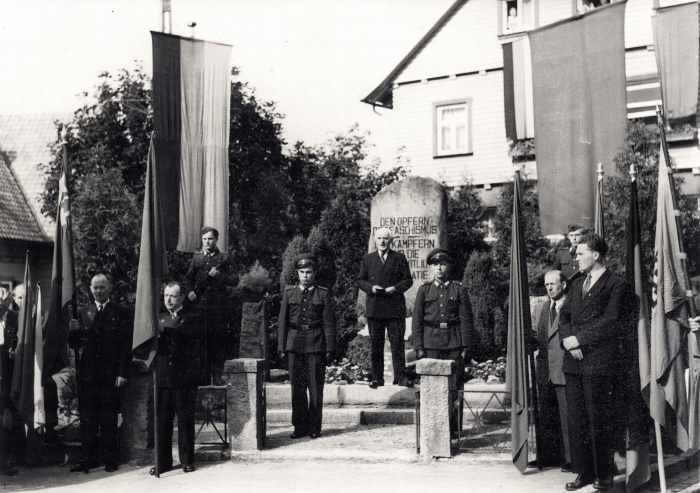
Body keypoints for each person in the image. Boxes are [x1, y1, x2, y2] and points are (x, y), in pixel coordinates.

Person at [558, 233, 634, 491]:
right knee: (577, 420)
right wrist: (569, 340)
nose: (575, 258)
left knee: (599, 420)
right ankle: (584, 472)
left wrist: (579, 340)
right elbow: (564, 317)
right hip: (574, 362)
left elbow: (611, 322)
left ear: (596, 255)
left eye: (580, 254)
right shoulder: (578, 283)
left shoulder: (617, 284)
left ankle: (604, 474)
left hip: (599, 362)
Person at [68, 274, 132, 473]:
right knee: (88, 419)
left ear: (109, 288)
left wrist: (122, 372)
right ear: (90, 288)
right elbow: (74, 345)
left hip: (110, 374)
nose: (98, 291)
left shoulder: (120, 311)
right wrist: (73, 331)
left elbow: (125, 346)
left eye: (102, 287)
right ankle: (89, 459)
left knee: (108, 418)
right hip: (88, 374)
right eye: (95, 288)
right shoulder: (83, 311)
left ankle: (109, 459)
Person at [412, 249, 473, 438]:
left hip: (454, 343)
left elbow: (466, 320)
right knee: (431, 389)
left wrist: (466, 347)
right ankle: (432, 429)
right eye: (435, 264)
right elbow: (417, 320)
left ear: (449, 266)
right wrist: (419, 347)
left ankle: (454, 429)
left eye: (443, 264)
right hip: (431, 344)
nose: (439, 268)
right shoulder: (424, 290)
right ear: (430, 267)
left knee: (454, 389)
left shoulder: (459, 289)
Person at [278, 254, 335, 439]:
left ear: (314, 273)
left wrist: (329, 348)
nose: (305, 276)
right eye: (302, 272)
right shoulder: (289, 293)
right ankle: (299, 427)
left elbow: (328, 323)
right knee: (297, 388)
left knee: (316, 388)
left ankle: (314, 427)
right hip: (294, 345)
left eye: (309, 272)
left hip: (315, 344)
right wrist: (281, 347)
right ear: (297, 273)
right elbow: (282, 322)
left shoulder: (323, 293)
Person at [150, 282, 203, 476]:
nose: (169, 300)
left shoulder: (191, 317)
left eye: (173, 296)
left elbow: (181, 332)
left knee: (185, 421)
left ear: (181, 298)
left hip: (184, 378)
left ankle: (187, 460)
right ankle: (163, 462)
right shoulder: (159, 319)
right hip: (164, 378)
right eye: (165, 296)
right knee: (163, 422)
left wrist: (161, 328)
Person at [357, 227, 414, 389]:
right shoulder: (368, 259)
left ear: (391, 241)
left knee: (397, 344)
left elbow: (408, 281)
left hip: (394, 307)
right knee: (376, 344)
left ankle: (400, 377)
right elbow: (360, 280)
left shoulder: (399, 258)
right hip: (375, 307)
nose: (382, 242)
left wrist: (395, 288)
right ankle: (377, 378)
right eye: (379, 238)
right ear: (375, 240)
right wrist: (371, 288)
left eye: (385, 238)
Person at [529, 270, 571, 472]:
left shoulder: (571, 305)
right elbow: (538, 334)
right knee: (546, 416)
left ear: (563, 284)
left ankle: (571, 459)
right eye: (547, 285)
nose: (550, 288)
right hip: (544, 368)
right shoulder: (543, 307)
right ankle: (547, 456)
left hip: (564, 368)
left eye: (553, 284)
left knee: (566, 416)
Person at [185, 226, 238, 384]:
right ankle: (202, 378)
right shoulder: (197, 258)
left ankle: (217, 376)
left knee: (217, 342)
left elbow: (235, 279)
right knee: (201, 342)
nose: (207, 242)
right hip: (200, 308)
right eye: (205, 239)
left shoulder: (224, 258)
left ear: (216, 240)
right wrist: (189, 292)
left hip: (218, 308)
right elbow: (188, 278)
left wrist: (220, 276)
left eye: (210, 239)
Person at [0, 287, 19, 476]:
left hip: (9, 378)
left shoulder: (17, 319)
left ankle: (7, 461)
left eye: (3, 302)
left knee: (8, 421)